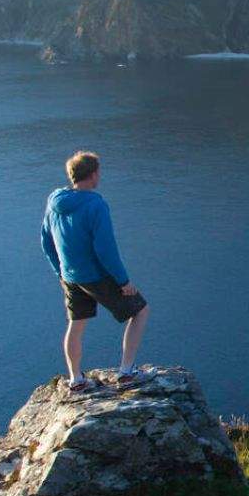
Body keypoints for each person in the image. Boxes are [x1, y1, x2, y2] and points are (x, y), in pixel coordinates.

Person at [41, 151, 150, 394]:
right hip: (95, 276)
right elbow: (105, 249)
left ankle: (76, 379)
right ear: (93, 174)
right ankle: (126, 372)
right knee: (140, 311)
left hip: (70, 276)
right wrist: (124, 282)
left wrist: (60, 272)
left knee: (76, 325)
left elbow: (46, 241)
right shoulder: (95, 204)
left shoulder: (54, 201)